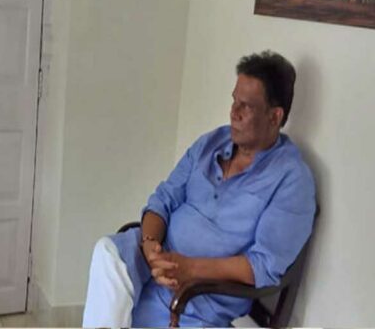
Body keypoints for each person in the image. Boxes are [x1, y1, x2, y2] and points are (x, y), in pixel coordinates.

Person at [82, 51, 316, 327]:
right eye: (234, 101)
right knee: (107, 252)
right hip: (153, 265)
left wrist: (189, 268)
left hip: (198, 300)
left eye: (246, 107)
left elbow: (263, 265)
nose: (234, 113)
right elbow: (163, 199)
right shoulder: (211, 143)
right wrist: (150, 247)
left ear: (274, 117)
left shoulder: (291, 179)